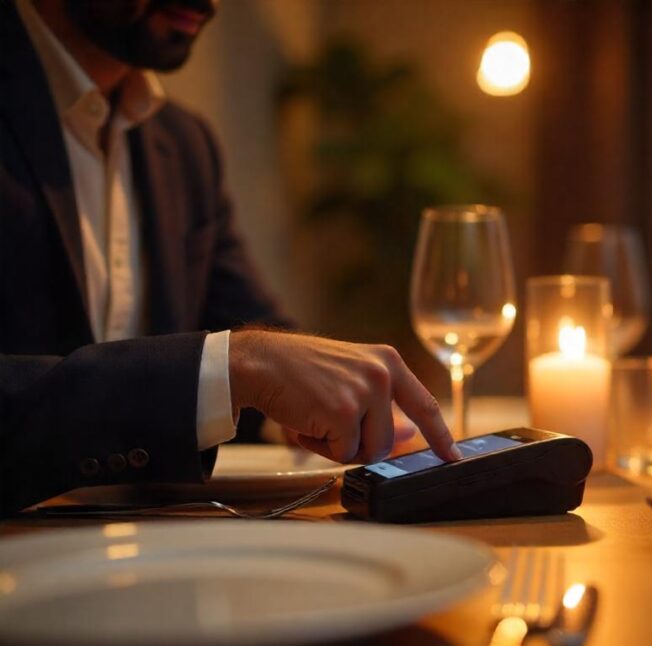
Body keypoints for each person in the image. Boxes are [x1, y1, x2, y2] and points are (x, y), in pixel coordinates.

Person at [0, 0, 460, 516]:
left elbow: (251, 328)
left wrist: (318, 408)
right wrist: (239, 368)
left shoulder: (182, 144)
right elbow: (239, 360)